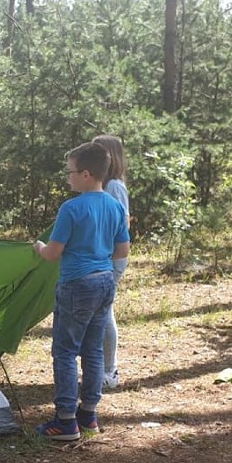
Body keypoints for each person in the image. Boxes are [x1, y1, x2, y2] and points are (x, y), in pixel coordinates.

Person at [32, 142, 130, 440]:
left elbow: (52, 253)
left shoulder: (71, 208)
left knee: (64, 351)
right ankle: (88, 415)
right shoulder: (115, 206)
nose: (68, 178)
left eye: (70, 172)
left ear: (86, 174)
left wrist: (37, 247)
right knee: (92, 349)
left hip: (77, 284)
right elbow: (122, 249)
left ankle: (64, 421)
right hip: (104, 281)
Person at [93, 134, 130, 390]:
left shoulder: (114, 186)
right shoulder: (104, 185)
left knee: (104, 312)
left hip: (112, 257)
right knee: (102, 311)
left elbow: (121, 222)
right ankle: (102, 367)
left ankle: (110, 371)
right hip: (103, 255)